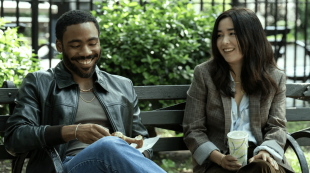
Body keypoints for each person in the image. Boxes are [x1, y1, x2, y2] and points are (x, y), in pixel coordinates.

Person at [4, 10, 165, 173]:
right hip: (65, 167)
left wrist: (137, 152)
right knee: (108, 146)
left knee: (111, 146)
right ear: (59, 46)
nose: (86, 52)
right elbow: (15, 137)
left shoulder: (122, 86)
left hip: (116, 165)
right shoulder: (39, 82)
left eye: (92, 43)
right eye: (75, 46)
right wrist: (74, 131)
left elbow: (142, 139)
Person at [182, 7, 295, 173]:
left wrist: (264, 151)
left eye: (232, 33)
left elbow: (277, 126)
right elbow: (193, 128)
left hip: (258, 156)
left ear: (251, 35)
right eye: (219, 35)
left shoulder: (274, 77)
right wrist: (219, 158)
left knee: (262, 168)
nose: (224, 41)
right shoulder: (204, 74)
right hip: (218, 158)